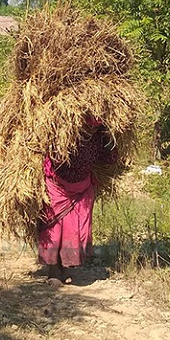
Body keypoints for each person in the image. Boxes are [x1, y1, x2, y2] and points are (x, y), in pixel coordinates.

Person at [36, 117, 116, 283]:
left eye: (94, 128)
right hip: (57, 186)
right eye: (88, 127)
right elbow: (51, 153)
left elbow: (109, 159)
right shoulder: (66, 133)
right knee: (54, 228)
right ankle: (53, 270)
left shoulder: (100, 138)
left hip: (82, 188)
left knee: (75, 229)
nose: (90, 131)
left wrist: (110, 139)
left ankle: (67, 267)